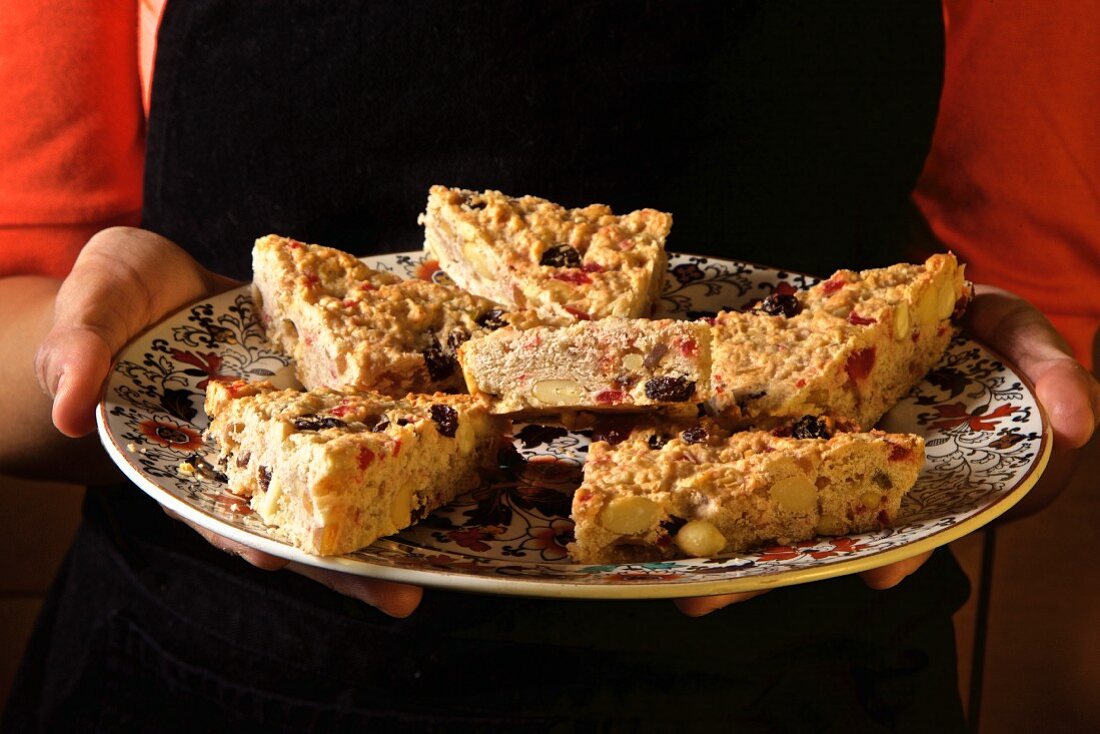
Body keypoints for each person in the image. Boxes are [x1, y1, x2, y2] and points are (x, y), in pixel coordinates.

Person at [1, 1, 1096, 731]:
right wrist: (136, 367)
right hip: (216, 670)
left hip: (795, 682)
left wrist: (967, 405)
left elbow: (1032, 427)